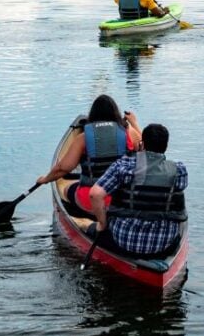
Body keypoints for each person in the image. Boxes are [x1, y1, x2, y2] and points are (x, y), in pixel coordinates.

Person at [88, 122, 187, 257]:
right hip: (164, 245)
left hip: (123, 241)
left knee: (89, 226)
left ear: (142, 144)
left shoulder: (123, 166)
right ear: (166, 146)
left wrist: (103, 224)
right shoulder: (179, 171)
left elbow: (95, 194)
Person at [34, 94, 143, 210]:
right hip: (122, 198)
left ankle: (82, 215)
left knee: (66, 190)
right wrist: (134, 123)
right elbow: (147, 150)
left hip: (91, 199)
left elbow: (63, 168)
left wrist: (45, 179)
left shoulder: (83, 138)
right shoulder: (129, 133)